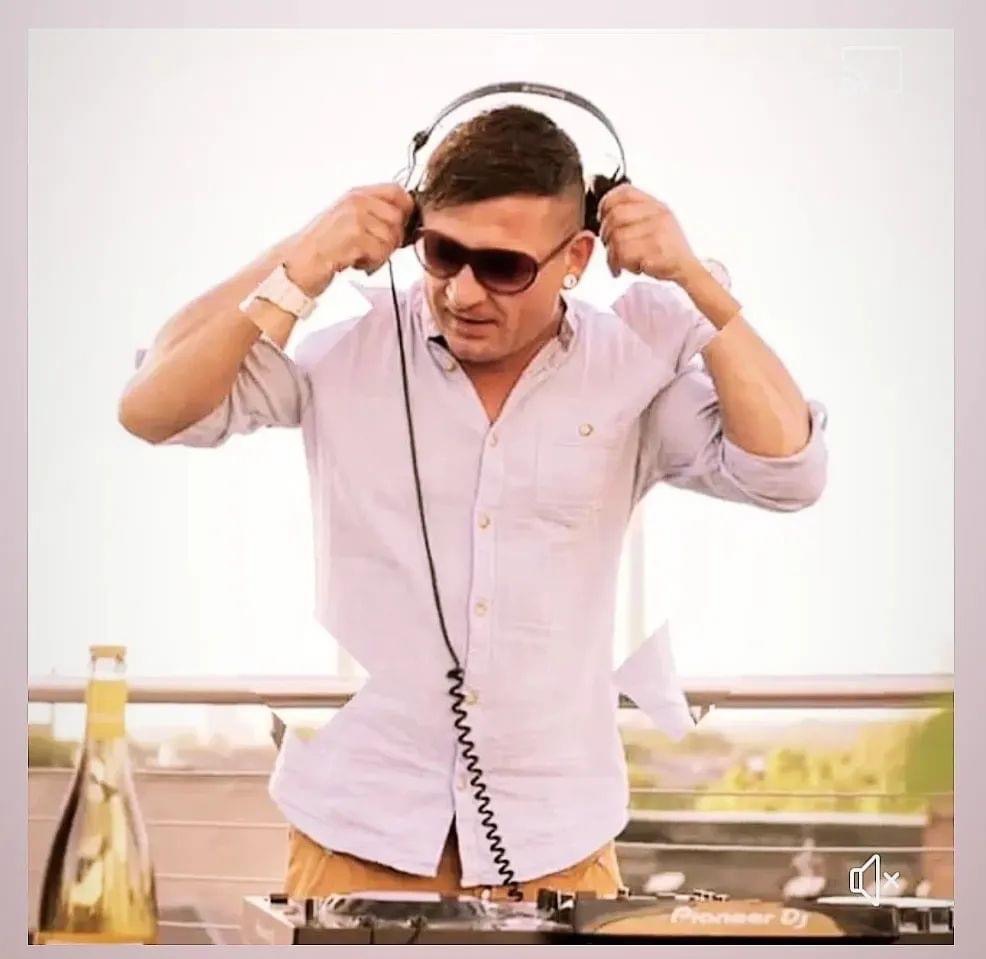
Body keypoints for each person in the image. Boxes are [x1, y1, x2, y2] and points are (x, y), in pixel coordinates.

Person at [118, 105, 828, 902]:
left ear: (576, 257)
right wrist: (302, 256)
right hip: (358, 826)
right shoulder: (348, 342)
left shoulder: (630, 365)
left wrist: (695, 285)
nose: (462, 292)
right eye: (442, 253)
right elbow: (151, 408)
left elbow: (789, 472)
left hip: (558, 836)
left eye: (502, 267)